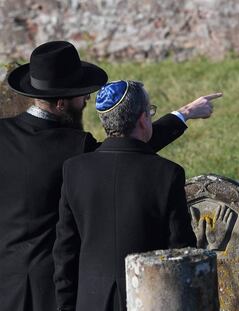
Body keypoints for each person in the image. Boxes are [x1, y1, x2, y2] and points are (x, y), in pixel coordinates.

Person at [1, 41, 220, 311]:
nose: (86, 100)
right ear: (60, 103)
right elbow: (126, 153)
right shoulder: (75, 148)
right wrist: (182, 115)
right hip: (53, 290)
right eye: (80, 95)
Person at [53, 80, 200, 311]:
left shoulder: (74, 170)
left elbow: (65, 252)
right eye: (151, 112)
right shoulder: (167, 174)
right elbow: (181, 250)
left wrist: (65, 306)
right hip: (148, 297)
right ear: (142, 120)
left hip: (90, 301)